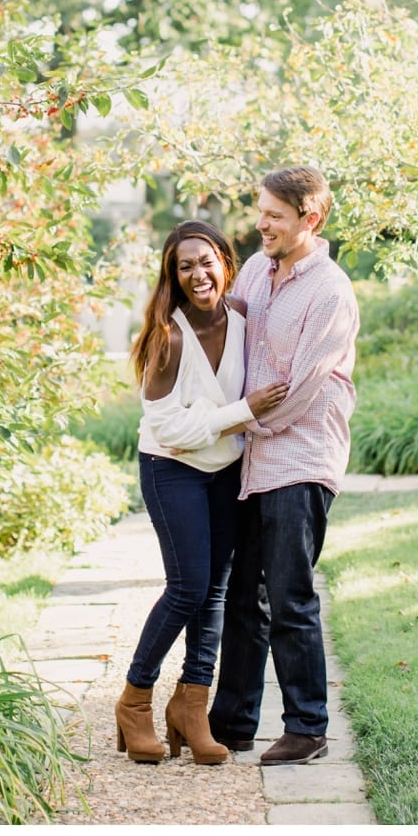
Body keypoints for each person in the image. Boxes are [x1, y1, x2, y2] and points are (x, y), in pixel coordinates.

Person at [115, 220, 290, 765]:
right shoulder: (166, 337)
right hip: (172, 470)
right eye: (184, 266)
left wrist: (224, 421)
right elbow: (170, 431)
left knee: (215, 591)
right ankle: (135, 700)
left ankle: (192, 708)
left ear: (225, 264)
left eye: (206, 261)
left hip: (222, 472)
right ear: (173, 275)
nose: (198, 274)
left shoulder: (241, 317)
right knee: (188, 588)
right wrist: (243, 412)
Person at [208, 165, 360, 766]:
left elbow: (301, 388)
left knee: (290, 595)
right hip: (253, 458)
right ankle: (234, 723)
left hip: (301, 457)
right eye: (260, 210)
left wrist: (244, 421)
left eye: (273, 214)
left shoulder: (331, 291)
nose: (260, 223)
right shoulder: (254, 271)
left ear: (310, 219)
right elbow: (229, 337)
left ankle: (308, 728)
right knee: (246, 595)